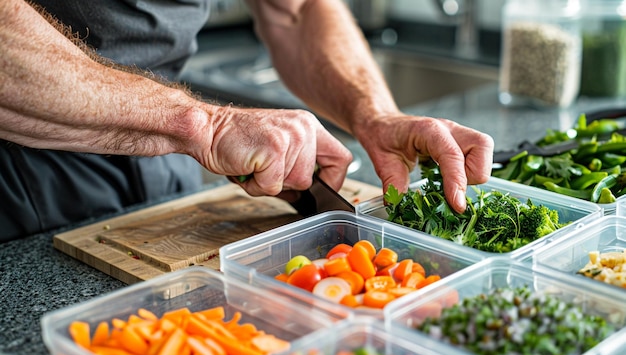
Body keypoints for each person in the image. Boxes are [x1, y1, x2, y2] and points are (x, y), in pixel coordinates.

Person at [0, 0, 494, 243]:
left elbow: (296, 11)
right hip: (23, 184)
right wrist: (207, 127)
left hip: (161, 166)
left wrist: (376, 115)